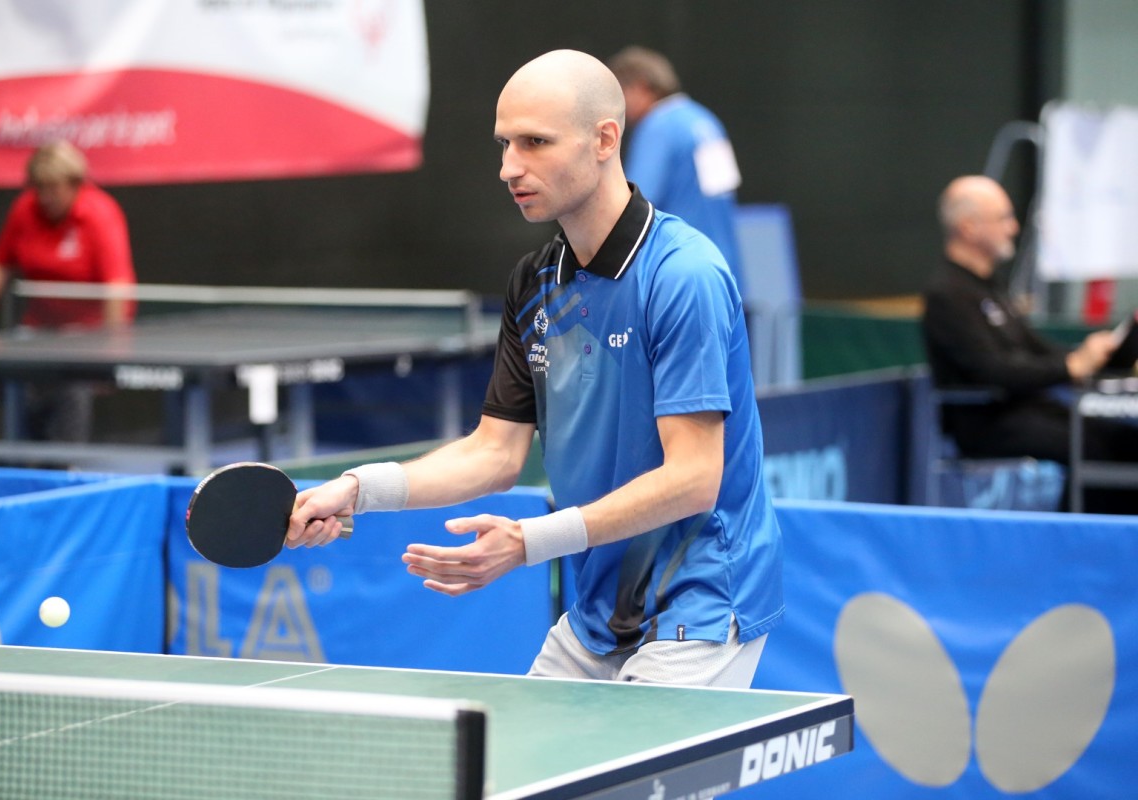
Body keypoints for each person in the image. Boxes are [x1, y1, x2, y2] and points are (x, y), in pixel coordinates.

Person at [288, 50, 783, 687]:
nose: (509, 167)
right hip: (599, 607)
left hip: (701, 600)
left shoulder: (681, 275)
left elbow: (692, 479)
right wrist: (357, 487)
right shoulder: (536, 283)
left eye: (535, 142)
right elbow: (495, 453)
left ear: (605, 139)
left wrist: (529, 541)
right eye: (504, 144)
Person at [922, 175, 1138, 512]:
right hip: (988, 424)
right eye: (1003, 218)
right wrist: (1070, 366)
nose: (1013, 227)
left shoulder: (991, 288)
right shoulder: (946, 295)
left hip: (1031, 411)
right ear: (968, 227)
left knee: (1127, 441)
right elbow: (992, 369)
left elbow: (1037, 351)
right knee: (1094, 450)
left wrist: (1093, 355)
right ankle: (1078, 538)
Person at [0, 140, 136, 442]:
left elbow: (116, 286)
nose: (45, 197)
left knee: (72, 385)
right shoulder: (24, 209)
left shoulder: (100, 214)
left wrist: (112, 348)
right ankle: (26, 453)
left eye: (53, 188)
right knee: (5, 374)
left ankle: (67, 461)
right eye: (39, 187)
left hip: (89, 335)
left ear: (74, 184)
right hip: (38, 330)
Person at [607, 46, 745, 293]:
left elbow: (634, 204)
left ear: (640, 87)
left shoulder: (658, 126)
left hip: (680, 272)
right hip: (724, 266)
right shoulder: (705, 119)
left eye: (620, 95)